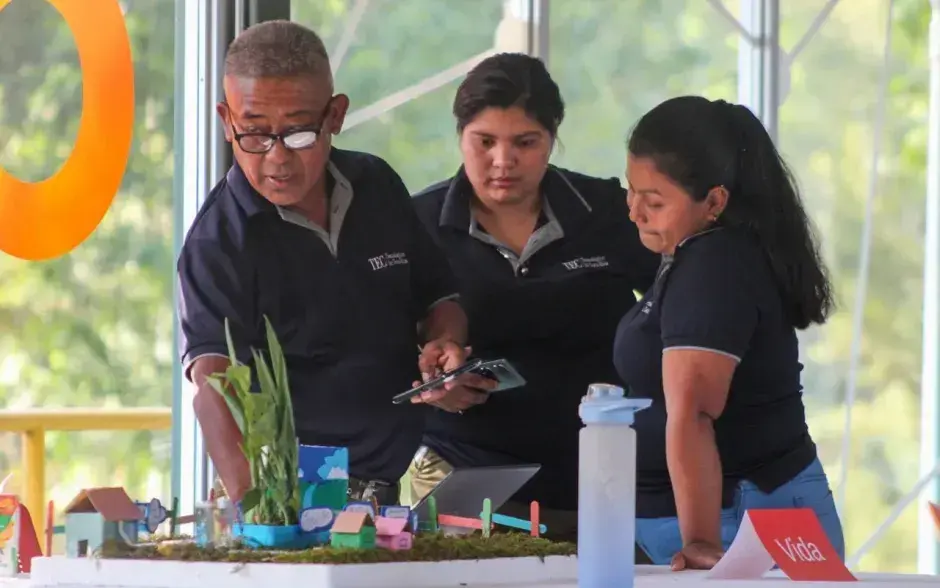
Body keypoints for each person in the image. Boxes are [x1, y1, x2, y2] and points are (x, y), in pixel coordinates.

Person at [177, 20, 467, 506]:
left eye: (297, 134)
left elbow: (440, 296)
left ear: (335, 115)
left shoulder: (376, 186)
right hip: (286, 498)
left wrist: (446, 345)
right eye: (254, 134)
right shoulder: (217, 243)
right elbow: (213, 386)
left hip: (387, 495)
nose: (276, 159)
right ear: (226, 121)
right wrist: (262, 514)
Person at [407, 53, 661, 543]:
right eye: (485, 142)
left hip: (600, 479)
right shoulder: (416, 223)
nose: (504, 162)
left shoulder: (606, 211)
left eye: (526, 142)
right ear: (460, 136)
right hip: (465, 478)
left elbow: (675, 309)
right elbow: (377, 341)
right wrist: (432, 389)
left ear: (552, 138)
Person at [613, 95, 845, 569]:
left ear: (715, 201)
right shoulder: (691, 253)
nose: (634, 212)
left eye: (654, 201)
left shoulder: (714, 265)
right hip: (733, 513)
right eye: (630, 191)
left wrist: (698, 540)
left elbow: (694, 412)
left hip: (739, 521)